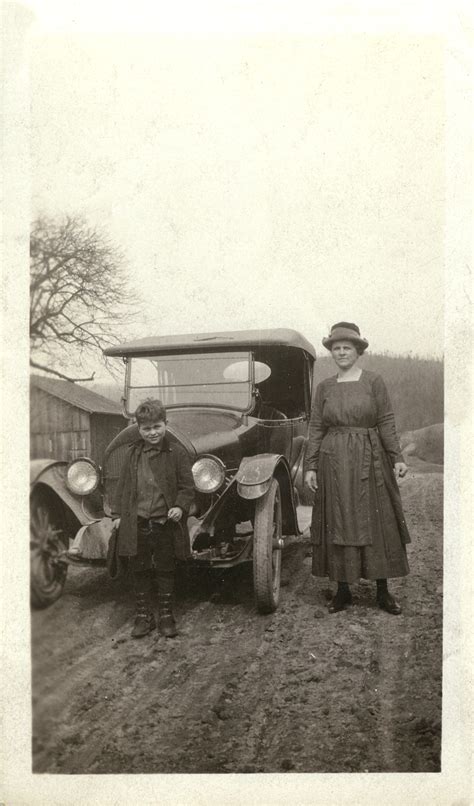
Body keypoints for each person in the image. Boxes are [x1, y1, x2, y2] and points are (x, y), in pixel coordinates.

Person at [304, 322, 410, 615]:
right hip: (333, 461)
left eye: (346, 348)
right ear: (332, 352)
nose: (341, 353)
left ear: (358, 351)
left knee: (377, 521)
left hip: (370, 458)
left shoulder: (374, 382)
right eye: (336, 348)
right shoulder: (324, 387)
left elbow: (386, 421)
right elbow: (316, 426)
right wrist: (310, 465)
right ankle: (342, 591)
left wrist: (397, 457)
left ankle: (383, 591)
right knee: (338, 520)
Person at [113, 398, 194, 638]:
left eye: (157, 427)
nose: (152, 433)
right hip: (137, 523)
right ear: (138, 429)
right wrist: (118, 515)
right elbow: (123, 486)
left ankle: (166, 616)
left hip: (164, 523)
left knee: (165, 569)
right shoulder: (132, 454)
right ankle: (144, 617)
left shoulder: (176, 453)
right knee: (140, 569)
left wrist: (179, 506)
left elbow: (187, 486)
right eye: (146, 429)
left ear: (165, 424)